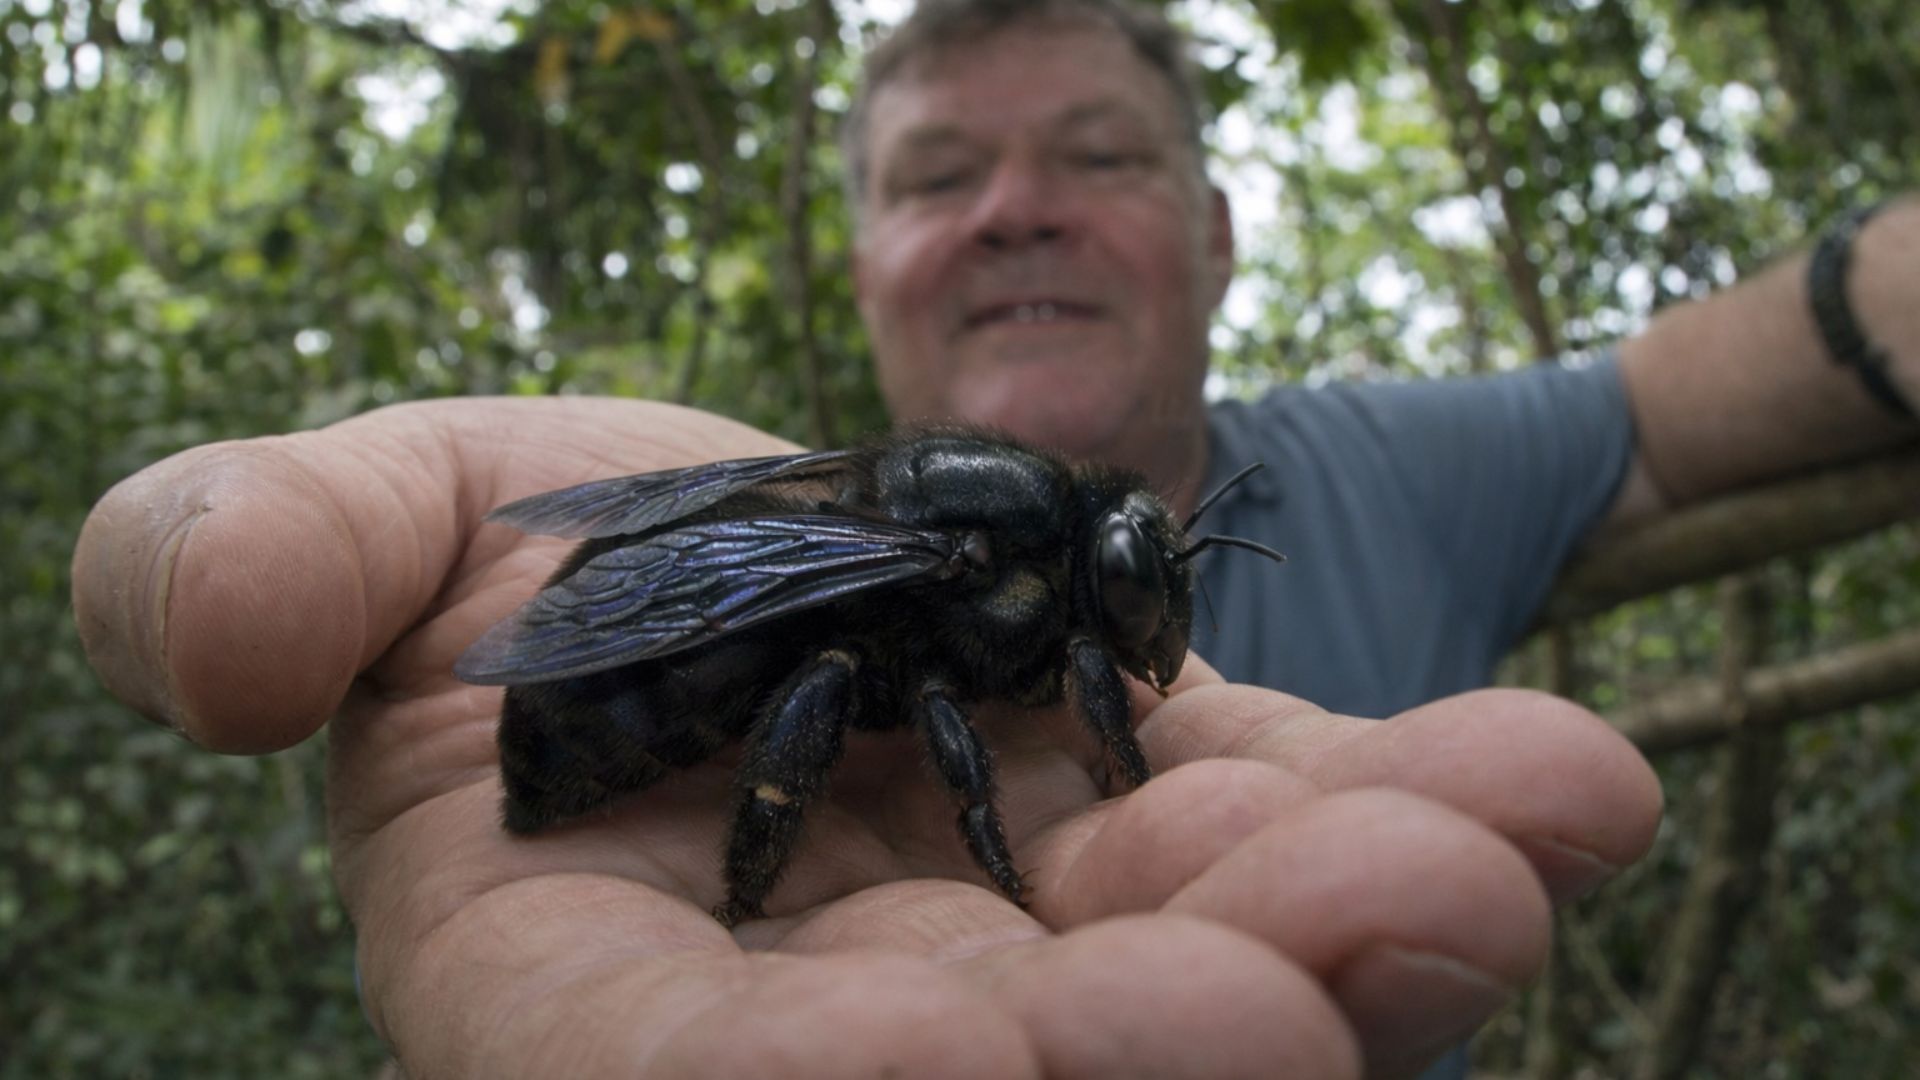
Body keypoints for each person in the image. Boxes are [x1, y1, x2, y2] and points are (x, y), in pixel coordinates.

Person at [65, 2, 1906, 1079]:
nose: (1017, 215)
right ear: (864, 258)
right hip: (603, 723)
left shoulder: (1402, 467)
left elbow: (1705, 386)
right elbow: (925, 687)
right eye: (942, 177)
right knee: (853, 662)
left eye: (1097, 157)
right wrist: (781, 856)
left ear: (1220, 233)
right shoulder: (921, 545)